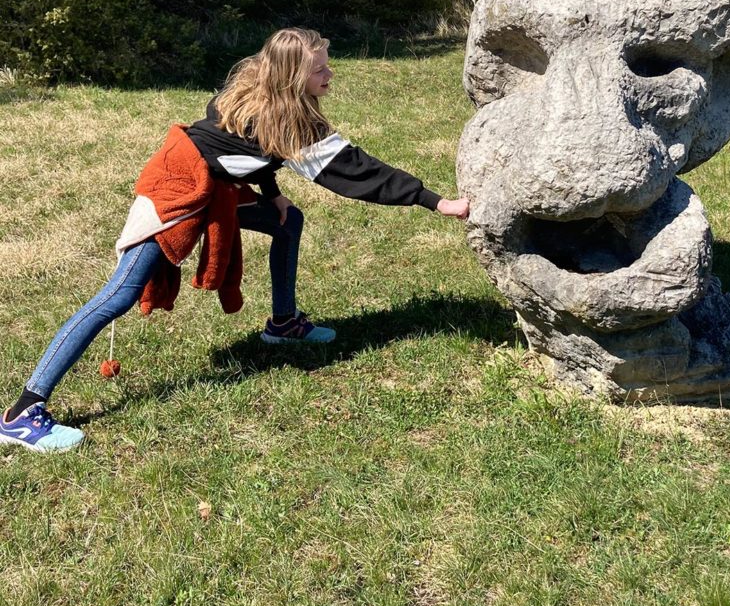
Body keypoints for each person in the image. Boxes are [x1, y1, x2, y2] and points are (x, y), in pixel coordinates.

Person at [0, 28, 469, 453]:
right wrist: (435, 202)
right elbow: (359, 171)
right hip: (177, 186)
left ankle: (283, 324)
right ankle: (23, 412)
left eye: (328, 62)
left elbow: (255, 151)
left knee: (288, 221)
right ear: (290, 77)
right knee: (117, 296)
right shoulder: (290, 122)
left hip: (217, 186)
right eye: (320, 67)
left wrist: (273, 194)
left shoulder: (258, 87)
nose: (330, 73)